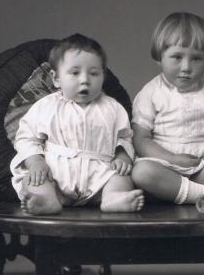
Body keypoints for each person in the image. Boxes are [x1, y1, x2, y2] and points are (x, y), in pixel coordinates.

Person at [10, 34, 145, 215]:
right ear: (56, 78)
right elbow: (27, 137)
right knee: (34, 180)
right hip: (56, 175)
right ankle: (47, 200)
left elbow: (125, 137)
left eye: (94, 73)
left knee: (121, 177)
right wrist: (35, 161)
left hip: (100, 176)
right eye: (75, 73)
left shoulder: (113, 108)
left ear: (103, 76)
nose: (85, 80)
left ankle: (113, 198)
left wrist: (122, 155)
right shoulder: (46, 106)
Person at [131, 12, 204, 215]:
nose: (186, 67)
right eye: (176, 57)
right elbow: (140, 139)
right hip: (165, 169)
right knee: (141, 172)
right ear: (160, 58)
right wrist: (172, 159)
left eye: (196, 59)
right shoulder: (151, 92)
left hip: (201, 167)